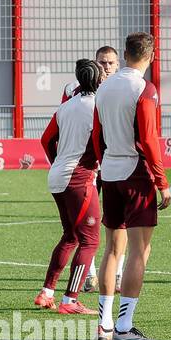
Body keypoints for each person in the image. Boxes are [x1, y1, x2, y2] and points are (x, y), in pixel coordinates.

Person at [91, 32, 171, 340]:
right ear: (152, 57)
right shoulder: (144, 89)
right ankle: (124, 326)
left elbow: (97, 135)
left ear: (125, 54)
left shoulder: (105, 87)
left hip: (110, 171)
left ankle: (104, 325)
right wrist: (162, 181)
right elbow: (149, 140)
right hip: (136, 173)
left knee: (112, 248)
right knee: (140, 250)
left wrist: (103, 163)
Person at [34, 59, 104, 315]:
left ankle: (47, 292)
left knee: (70, 236)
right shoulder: (98, 105)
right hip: (80, 177)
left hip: (58, 175)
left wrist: (57, 162)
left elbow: (45, 139)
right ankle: (70, 300)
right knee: (90, 242)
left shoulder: (66, 106)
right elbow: (101, 141)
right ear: (98, 80)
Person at [61, 45, 120, 293]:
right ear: (93, 65)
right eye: (102, 63)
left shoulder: (121, 90)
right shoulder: (73, 91)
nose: (106, 67)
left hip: (116, 163)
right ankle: (90, 275)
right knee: (88, 224)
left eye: (110, 63)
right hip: (89, 168)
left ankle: (117, 274)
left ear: (117, 66)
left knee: (117, 222)